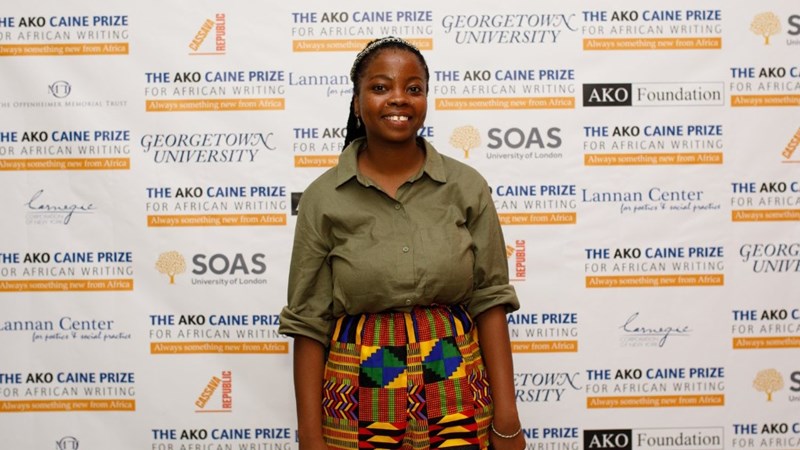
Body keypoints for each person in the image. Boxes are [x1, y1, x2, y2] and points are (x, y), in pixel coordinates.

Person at [279, 36, 525, 450]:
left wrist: (507, 416)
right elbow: (308, 322)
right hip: (356, 394)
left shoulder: (466, 186)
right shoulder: (324, 198)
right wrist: (310, 437)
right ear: (357, 103)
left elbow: (490, 299)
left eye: (414, 88)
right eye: (380, 87)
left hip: (455, 383)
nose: (399, 98)